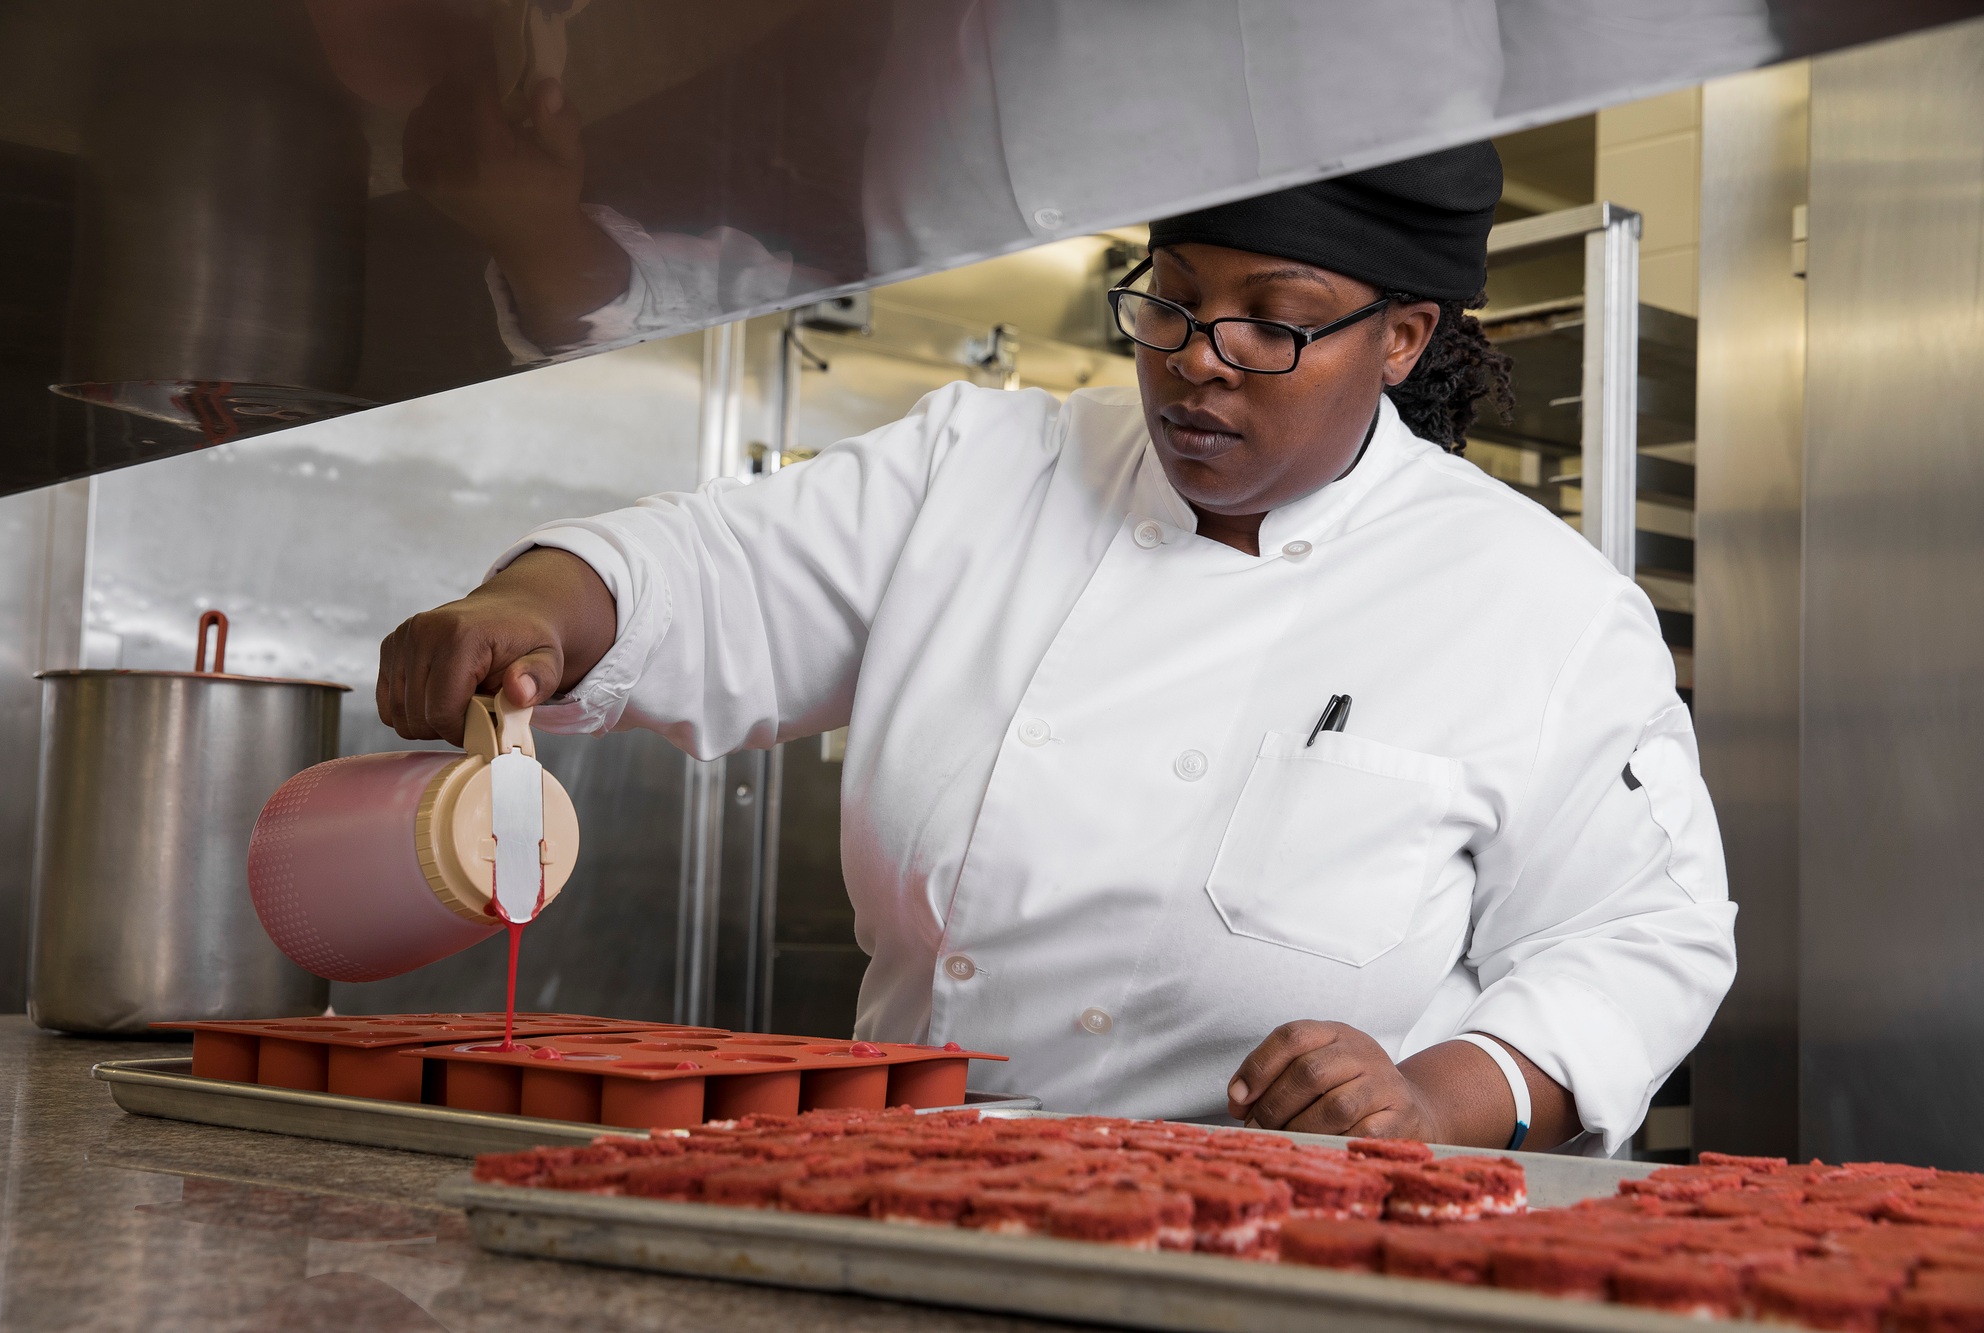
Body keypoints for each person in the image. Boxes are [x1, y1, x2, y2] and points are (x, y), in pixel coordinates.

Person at [377, 143, 1735, 1156]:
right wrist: (539, 607)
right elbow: (709, 572)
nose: (1200, 360)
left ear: (1400, 338)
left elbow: (1642, 934)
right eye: (1174, 301)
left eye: (1273, 318)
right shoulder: (986, 466)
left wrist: (1444, 1091)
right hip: (894, 1192)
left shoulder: (1533, 600)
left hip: (1271, 1242)